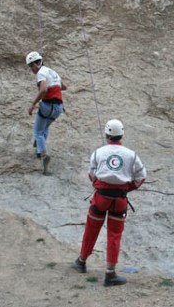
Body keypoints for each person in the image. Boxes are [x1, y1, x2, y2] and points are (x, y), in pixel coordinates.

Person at [72, 119, 147, 286]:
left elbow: (92, 175)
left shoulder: (98, 153)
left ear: (106, 135)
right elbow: (141, 177)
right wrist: (127, 189)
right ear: (122, 135)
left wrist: (100, 185)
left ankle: (81, 261)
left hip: (101, 198)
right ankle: (110, 273)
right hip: (119, 200)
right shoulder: (131, 155)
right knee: (114, 234)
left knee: (91, 228)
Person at [26, 51, 67, 175]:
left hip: (47, 106)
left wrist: (33, 104)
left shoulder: (41, 73)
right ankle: (39, 149)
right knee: (44, 128)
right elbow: (64, 87)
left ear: (36, 64)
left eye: (31, 66)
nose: (31, 69)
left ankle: (43, 155)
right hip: (58, 108)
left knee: (38, 132)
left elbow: (43, 89)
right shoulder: (53, 72)